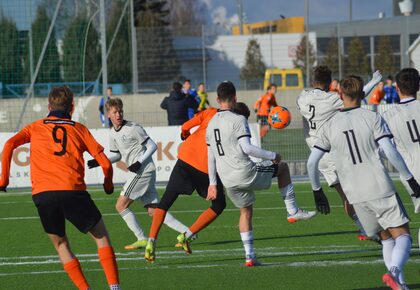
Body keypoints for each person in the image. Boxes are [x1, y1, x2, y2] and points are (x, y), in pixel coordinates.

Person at [0, 86, 120, 290]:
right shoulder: (79, 129)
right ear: (72, 108)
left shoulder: (35, 127)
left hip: (43, 194)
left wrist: (3, 181)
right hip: (72, 190)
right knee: (101, 238)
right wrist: (107, 185)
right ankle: (114, 288)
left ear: (49, 106)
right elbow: (106, 164)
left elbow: (9, 144)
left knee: (61, 244)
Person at [307, 76, 420, 290]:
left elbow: (312, 161)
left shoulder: (329, 124)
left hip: (355, 194)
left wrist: (317, 191)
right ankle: (395, 272)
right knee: (403, 235)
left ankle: (401, 284)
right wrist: (409, 179)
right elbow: (390, 151)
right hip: (379, 187)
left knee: (386, 240)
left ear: (340, 94)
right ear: (362, 94)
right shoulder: (371, 117)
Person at [207, 81, 316, 267]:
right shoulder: (238, 120)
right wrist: (273, 155)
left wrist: (212, 183)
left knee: (245, 211)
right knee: (282, 168)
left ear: (217, 100)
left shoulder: (211, 124)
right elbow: (247, 148)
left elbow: (210, 156)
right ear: (235, 98)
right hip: (244, 173)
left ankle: (250, 256)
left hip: (227, 180)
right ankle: (293, 211)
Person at [88, 97, 189, 250]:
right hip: (142, 171)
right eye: (115, 112)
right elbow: (117, 155)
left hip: (142, 171)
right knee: (154, 211)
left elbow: (152, 146)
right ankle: (187, 233)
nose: (118, 115)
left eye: (120, 111)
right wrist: (100, 161)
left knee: (120, 205)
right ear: (108, 114)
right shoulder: (112, 134)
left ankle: (141, 238)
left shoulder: (133, 128)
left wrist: (139, 162)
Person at [297, 65, 382, 240]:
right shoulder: (330, 99)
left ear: (313, 81)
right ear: (329, 83)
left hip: (317, 155)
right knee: (359, 190)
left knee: (346, 195)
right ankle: (371, 228)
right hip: (332, 151)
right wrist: (373, 82)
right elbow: (355, 96)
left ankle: (364, 228)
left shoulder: (302, 96)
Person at [144, 105, 226, 262]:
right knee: (218, 205)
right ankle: (186, 236)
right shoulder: (233, 120)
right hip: (206, 167)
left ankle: (151, 242)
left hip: (186, 157)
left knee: (166, 200)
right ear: (234, 100)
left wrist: (185, 135)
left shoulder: (209, 112)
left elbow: (185, 127)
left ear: (218, 99)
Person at [382, 68, 420, 250]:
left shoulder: (387, 116)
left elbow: (386, 150)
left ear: (397, 88)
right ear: (418, 86)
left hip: (411, 174)